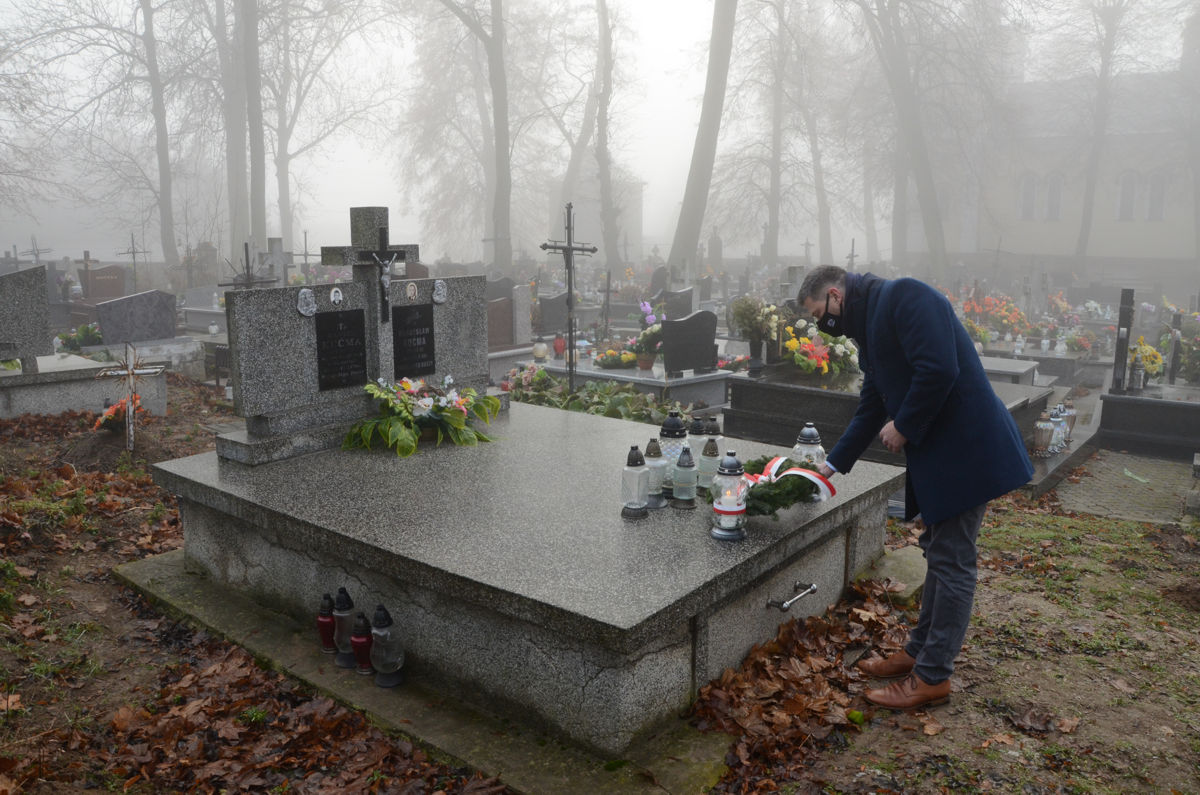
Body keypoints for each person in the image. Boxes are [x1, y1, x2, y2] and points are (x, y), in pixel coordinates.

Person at [797, 265, 1033, 710]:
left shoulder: (905, 296)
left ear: (835, 295)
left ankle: (932, 676)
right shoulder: (868, 326)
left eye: (818, 314)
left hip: (967, 449)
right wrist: (830, 466)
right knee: (940, 553)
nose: (822, 325)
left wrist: (904, 424)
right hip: (943, 454)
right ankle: (919, 652)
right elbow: (872, 404)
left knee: (953, 560)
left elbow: (940, 368)